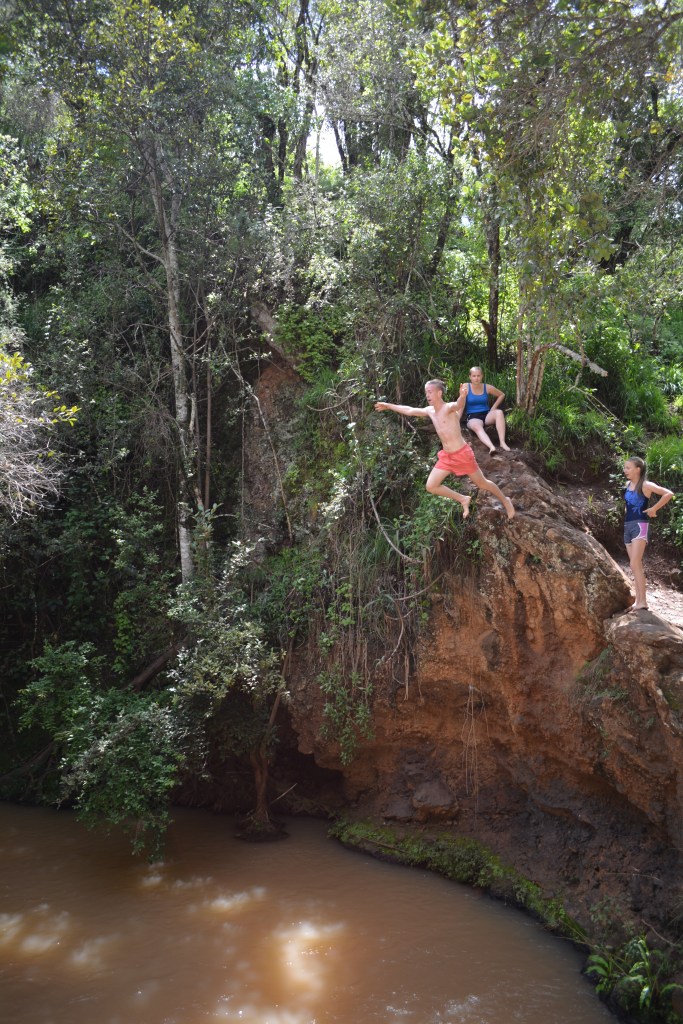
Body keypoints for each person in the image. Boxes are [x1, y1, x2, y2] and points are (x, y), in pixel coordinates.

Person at [375, 379, 515, 519]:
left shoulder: (448, 408)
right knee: (431, 486)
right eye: (426, 392)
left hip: (462, 454)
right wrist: (388, 405)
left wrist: (462, 396)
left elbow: (458, 404)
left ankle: (505, 500)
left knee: (482, 483)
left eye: (430, 392)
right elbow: (410, 410)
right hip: (447, 457)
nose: (427, 395)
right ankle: (462, 499)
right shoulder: (430, 411)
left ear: (439, 393)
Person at [623, 456, 674, 611]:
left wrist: (654, 509)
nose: (625, 471)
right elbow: (629, 505)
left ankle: (643, 602)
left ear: (638, 469)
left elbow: (668, 493)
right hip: (628, 526)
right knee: (634, 565)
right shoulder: (627, 484)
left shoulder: (646, 484)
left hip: (640, 524)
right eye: (625, 468)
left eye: (628, 468)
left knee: (635, 563)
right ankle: (638, 601)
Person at [461, 366, 510, 453]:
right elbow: (461, 404)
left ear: (482, 376)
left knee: (499, 412)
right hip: (473, 417)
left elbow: (501, 395)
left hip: (487, 415)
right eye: (474, 376)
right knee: (477, 426)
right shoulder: (465, 387)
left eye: (478, 376)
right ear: (470, 377)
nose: (476, 378)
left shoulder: (487, 387)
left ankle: (502, 442)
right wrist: (457, 420)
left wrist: (493, 408)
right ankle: (491, 447)